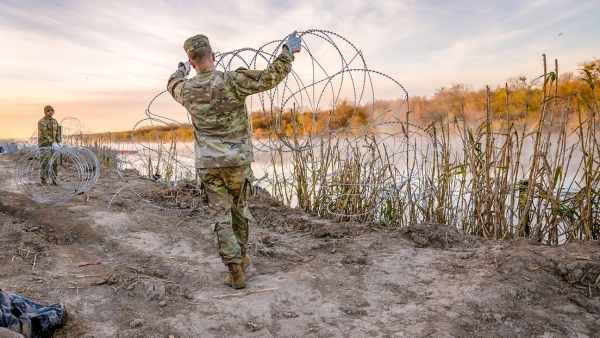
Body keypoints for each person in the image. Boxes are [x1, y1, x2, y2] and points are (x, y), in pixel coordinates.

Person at [167, 32, 301, 289]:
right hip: (237, 162)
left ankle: (235, 269)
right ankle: (243, 254)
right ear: (214, 56)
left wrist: (180, 69)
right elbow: (271, 76)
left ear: (192, 63)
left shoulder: (186, 89)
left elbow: (172, 83)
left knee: (220, 217)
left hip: (209, 166)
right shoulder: (233, 81)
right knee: (239, 209)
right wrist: (286, 51)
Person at [37, 105, 61, 186]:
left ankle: (54, 180)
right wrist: (52, 142)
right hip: (44, 145)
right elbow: (43, 134)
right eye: (48, 111)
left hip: (54, 146)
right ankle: (43, 180)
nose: (50, 112)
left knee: (55, 162)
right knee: (45, 162)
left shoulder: (55, 121)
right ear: (45, 112)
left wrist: (59, 142)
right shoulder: (42, 122)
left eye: (52, 110)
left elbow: (57, 133)